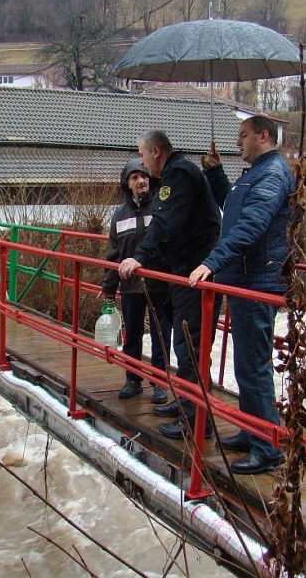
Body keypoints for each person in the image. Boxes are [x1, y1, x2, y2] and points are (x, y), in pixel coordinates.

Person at [189, 116, 293, 475]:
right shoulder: (255, 174)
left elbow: (252, 225)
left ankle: (267, 447)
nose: (238, 143)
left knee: (253, 364)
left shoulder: (272, 173)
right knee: (246, 363)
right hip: (246, 277)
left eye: (243, 136)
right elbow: (233, 211)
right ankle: (253, 431)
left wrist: (212, 262)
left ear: (263, 136)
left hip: (257, 280)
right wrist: (217, 175)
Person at [119, 130, 222, 440]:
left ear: (155, 151)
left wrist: (140, 257)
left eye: (142, 155)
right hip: (186, 268)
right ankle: (187, 405)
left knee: (189, 345)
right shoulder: (178, 174)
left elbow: (164, 222)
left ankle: (195, 421)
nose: (141, 161)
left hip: (195, 272)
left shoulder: (177, 174)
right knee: (185, 343)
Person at [100, 159, 171, 405]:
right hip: (130, 285)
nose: (141, 181)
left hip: (160, 284)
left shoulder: (162, 208)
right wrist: (108, 286)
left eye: (144, 176)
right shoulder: (119, 215)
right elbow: (114, 253)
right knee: (132, 335)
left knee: (161, 335)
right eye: (134, 177)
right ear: (127, 183)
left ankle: (160, 383)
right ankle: (133, 379)